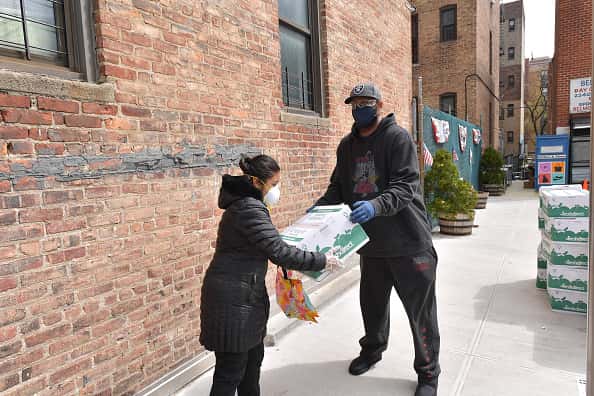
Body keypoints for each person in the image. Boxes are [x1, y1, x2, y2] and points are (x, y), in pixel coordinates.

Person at [312, 83, 440, 396]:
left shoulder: (398, 138)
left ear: (379, 105)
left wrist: (375, 205)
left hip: (410, 243)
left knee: (420, 313)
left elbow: (405, 185)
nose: (359, 109)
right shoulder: (347, 146)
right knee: (372, 306)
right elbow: (339, 187)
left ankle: (428, 373)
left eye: (365, 103)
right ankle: (372, 350)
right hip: (371, 246)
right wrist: (317, 211)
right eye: (354, 104)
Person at [200, 154, 339, 396]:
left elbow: (269, 243)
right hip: (233, 302)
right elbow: (278, 252)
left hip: (245, 297)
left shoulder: (249, 205)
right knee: (230, 372)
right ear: (256, 182)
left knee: (252, 365)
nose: (277, 190)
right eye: (274, 184)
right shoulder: (249, 208)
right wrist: (322, 260)